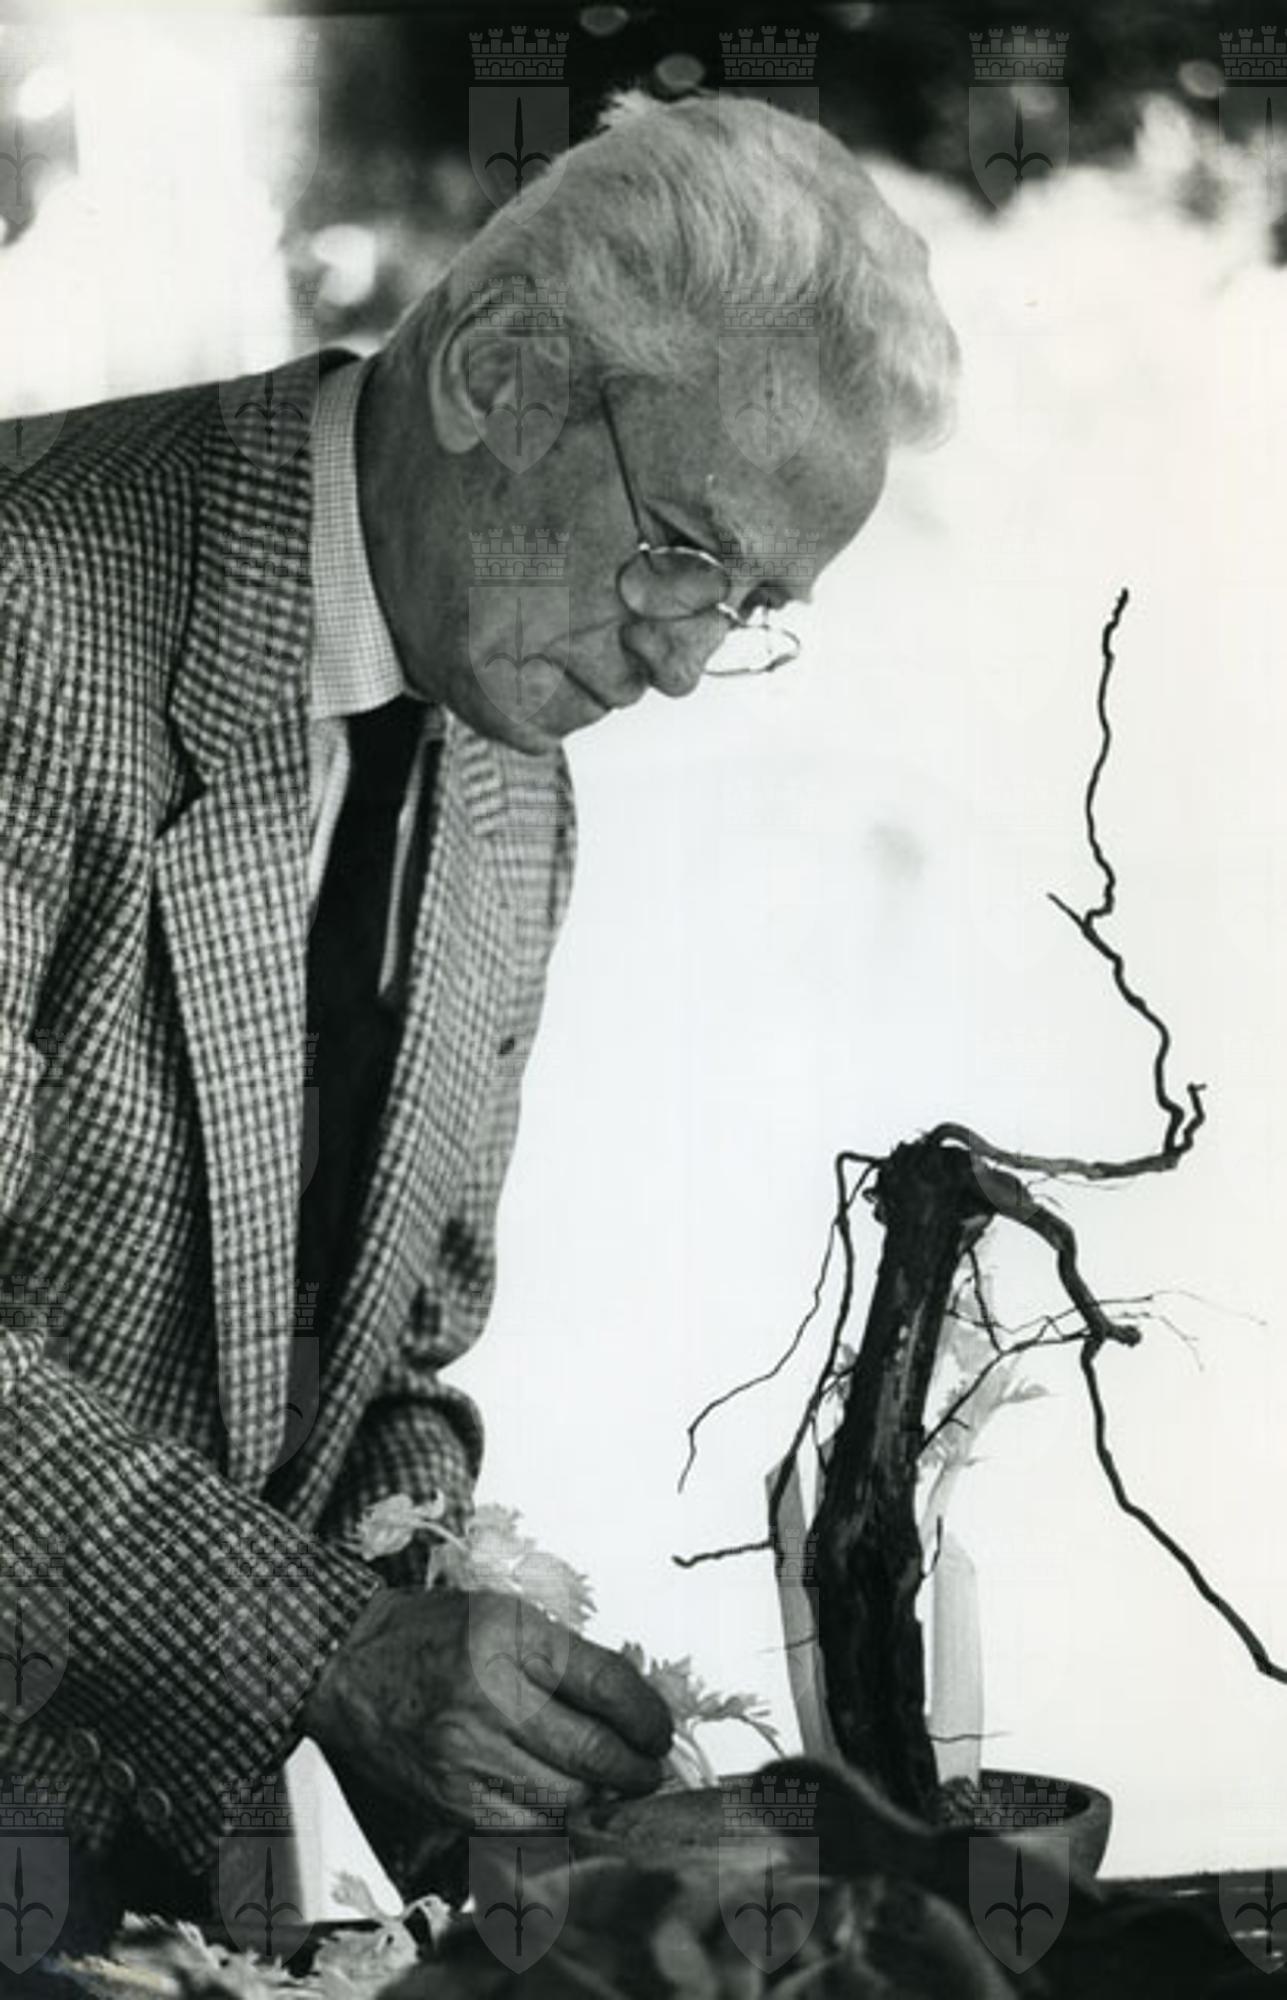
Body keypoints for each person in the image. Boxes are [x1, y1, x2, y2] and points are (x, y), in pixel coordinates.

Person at [0, 87, 958, 1947]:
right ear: (496, 369)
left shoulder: (521, 790)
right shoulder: (26, 604)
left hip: (143, 1901)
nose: (685, 663)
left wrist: (455, 1624)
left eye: (750, 605)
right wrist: (324, 1646)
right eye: (681, 551)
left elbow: (400, 1367)